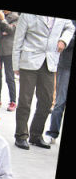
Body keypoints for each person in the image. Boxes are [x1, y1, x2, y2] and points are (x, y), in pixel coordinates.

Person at [12, 14, 75, 150]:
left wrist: (64, 40)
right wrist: (15, 65)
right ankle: (21, 135)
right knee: (25, 101)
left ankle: (36, 135)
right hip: (29, 61)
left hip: (50, 62)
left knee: (46, 101)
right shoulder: (27, 16)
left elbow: (70, 28)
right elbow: (18, 40)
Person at [44, 20, 76, 144]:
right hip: (66, 65)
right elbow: (63, 38)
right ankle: (52, 133)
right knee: (60, 101)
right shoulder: (70, 22)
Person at [0, 10, 18, 111]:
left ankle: (13, 101)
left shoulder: (15, 17)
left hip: (9, 51)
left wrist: (3, 20)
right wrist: (0, 34)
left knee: (9, 77)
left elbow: (10, 30)